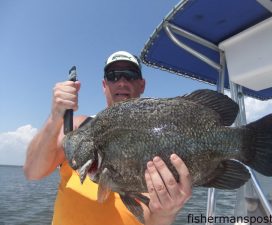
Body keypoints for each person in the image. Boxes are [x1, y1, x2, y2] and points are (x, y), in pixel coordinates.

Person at [24, 51, 192, 225]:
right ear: (104, 85)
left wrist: (166, 213)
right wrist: (55, 116)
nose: (121, 82)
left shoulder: (156, 141)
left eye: (130, 75)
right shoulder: (78, 127)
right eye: (113, 76)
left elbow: (151, 220)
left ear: (142, 85)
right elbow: (33, 172)